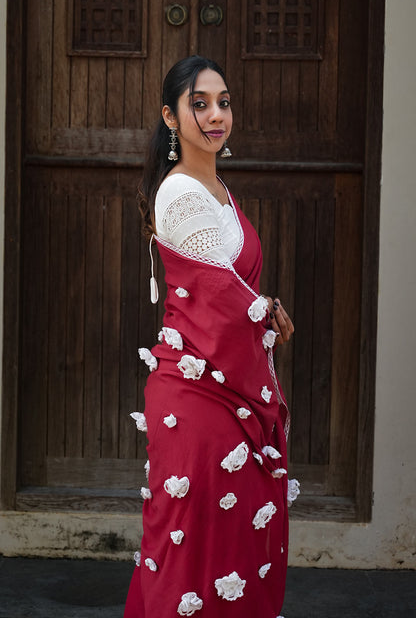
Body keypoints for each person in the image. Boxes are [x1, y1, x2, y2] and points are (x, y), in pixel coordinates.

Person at [124, 55, 297, 618]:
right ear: (170, 119)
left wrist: (262, 307)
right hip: (198, 401)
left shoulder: (217, 187)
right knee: (193, 562)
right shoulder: (180, 195)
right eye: (199, 104)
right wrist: (262, 308)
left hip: (221, 386)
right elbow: (221, 294)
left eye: (223, 102)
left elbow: (231, 291)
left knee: (231, 554)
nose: (216, 115)